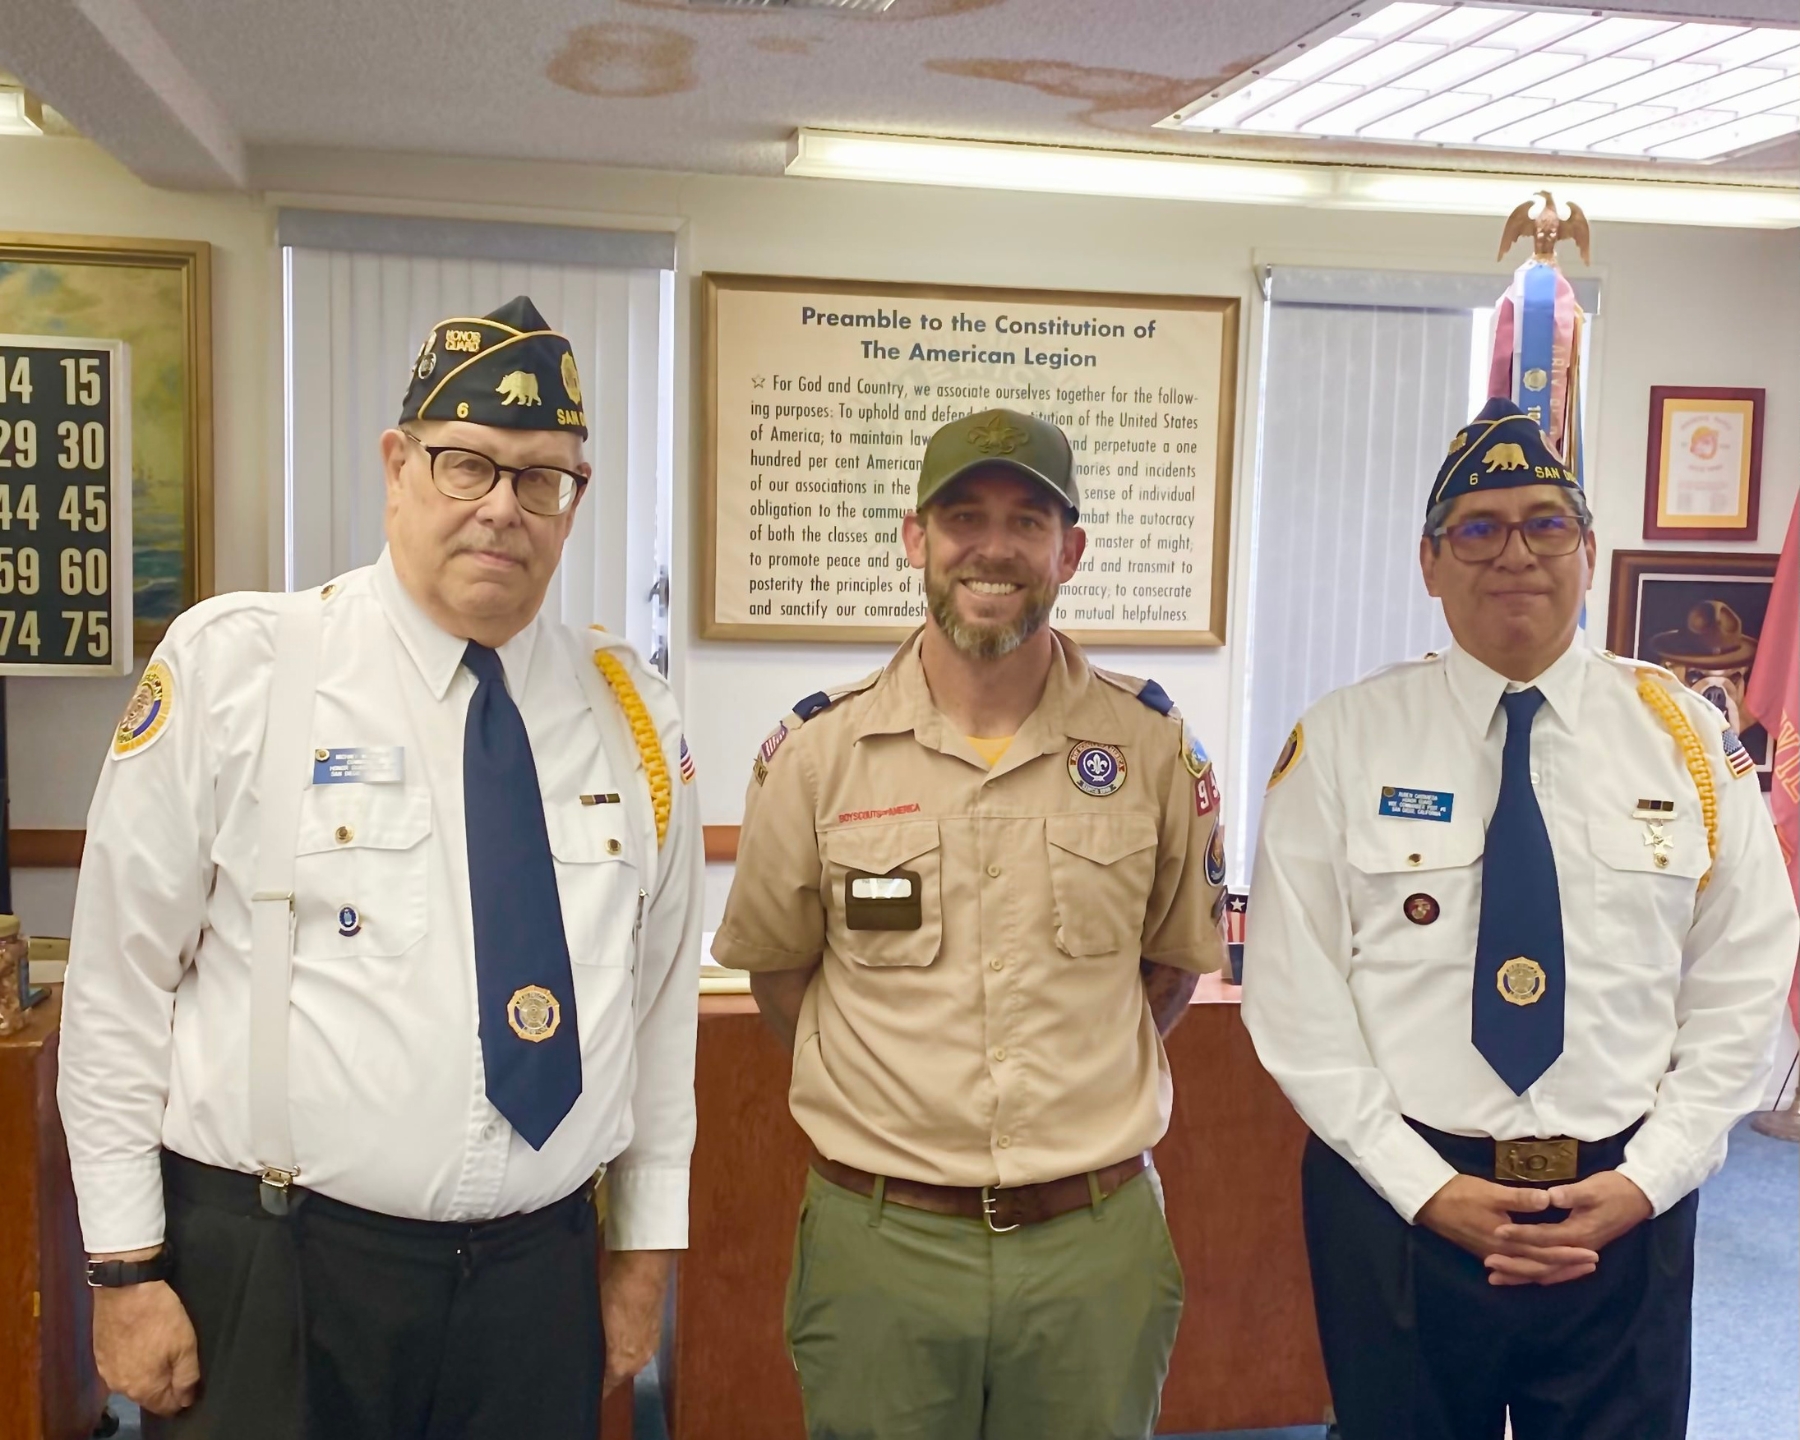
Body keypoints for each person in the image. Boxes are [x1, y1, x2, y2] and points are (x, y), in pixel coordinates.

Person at [59, 296, 703, 1440]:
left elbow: (658, 1022)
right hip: (280, 1272)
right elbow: (118, 987)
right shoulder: (239, 668)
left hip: (535, 1281)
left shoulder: (632, 713)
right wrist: (120, 1267)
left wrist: (643, 1257)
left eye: (544, 478)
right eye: (469, 466)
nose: (505, 508)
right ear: (398, 463)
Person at [1242, 397, 1799, 1440]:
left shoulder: (1687, 741)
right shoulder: (1344, 741)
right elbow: (1295, 999)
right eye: (1479, 528)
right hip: (1402, 1211)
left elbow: (1740, 982)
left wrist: (1650, 1177)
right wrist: (1424, 1187)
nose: (1516, 554)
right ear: (1430, 561)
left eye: (1546, 523)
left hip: (1623, 1211)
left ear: (1588, 550)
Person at [713, 407, 1228, 1440]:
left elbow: (1170, 970)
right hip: (885, 1245)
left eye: (1026, 520)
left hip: (1093, 1245)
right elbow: (781, 977)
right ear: (917, 539)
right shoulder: (818, 755)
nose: (992, 548)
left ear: (1068, 551)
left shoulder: (1153, 749)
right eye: (963, 518)